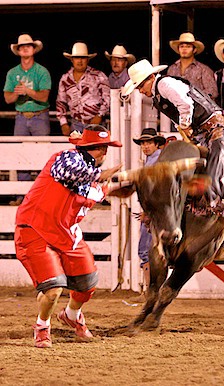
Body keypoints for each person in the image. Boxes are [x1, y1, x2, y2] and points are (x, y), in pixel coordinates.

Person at [14, 124, 122, 348]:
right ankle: (42, 326)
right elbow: (71, 173)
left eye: (105, 147)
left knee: (87, 283)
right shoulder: (66, 158)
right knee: (53, 290)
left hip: (67, 234)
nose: (103, 152)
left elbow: (100, 188)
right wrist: (106, 175)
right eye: (97, 147)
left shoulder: (93, 181)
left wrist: (121, 183)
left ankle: (72, 315)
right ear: (85, 147)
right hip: (36, 230)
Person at [122, 59, 224, 218]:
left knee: (219, 164)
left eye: (141, 86)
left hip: (215, 126)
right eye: (138, 88)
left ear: (151, 78)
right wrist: (187, 132)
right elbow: (178, 115)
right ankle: (217, 204)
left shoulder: (165, 84)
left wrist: (185, 125)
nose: (140, 91)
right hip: (204, 131)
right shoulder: (159, 94)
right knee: (210, 165)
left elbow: (185, 104)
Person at [3, 34, 52, 206]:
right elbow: (8, 99)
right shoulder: (12, 73)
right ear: (18, 51)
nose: (25, 48)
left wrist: (27, 91)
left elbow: (44, 97)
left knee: (42, 155)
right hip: (21, 118)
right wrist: (17, 93)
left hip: (40, 116)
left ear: (33, 50)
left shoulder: (41, 71)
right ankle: (22, 197)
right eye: (22, 46)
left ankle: (41, 196)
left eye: (28, 46)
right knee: (20, 155)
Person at [133, 128, 166, 299]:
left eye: (148, 143)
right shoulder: (154, 160)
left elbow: (156, 190)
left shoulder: (155, 162)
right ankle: (153, 291)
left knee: (146, 250)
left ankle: (150, 292)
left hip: (155, 211)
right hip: (158, 210)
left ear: (156, 144)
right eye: (143, 143)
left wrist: (148, 211)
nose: (145, 146)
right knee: (152, 251)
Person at [56, 42, 110, 135]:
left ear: (88, 59)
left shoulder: (98, 76)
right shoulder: (65, 79)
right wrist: (63, 123)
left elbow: (108, 98)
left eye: (83, 58)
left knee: (97, 148)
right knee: (77, 149)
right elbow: (61, 102)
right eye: (77, 58)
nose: (80, 61)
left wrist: (99, 115)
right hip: (76, 123)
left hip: (96, 122)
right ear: (72, 60)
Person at [166, 32, 218, 99]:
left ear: (194, 50)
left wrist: (192, 97)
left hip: (197, 108)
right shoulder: (172, 69)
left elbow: (213, 92)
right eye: (182, 46)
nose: (184, 49)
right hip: (175, 107)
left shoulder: (203, 69)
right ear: (178, 49)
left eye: (188, 46)